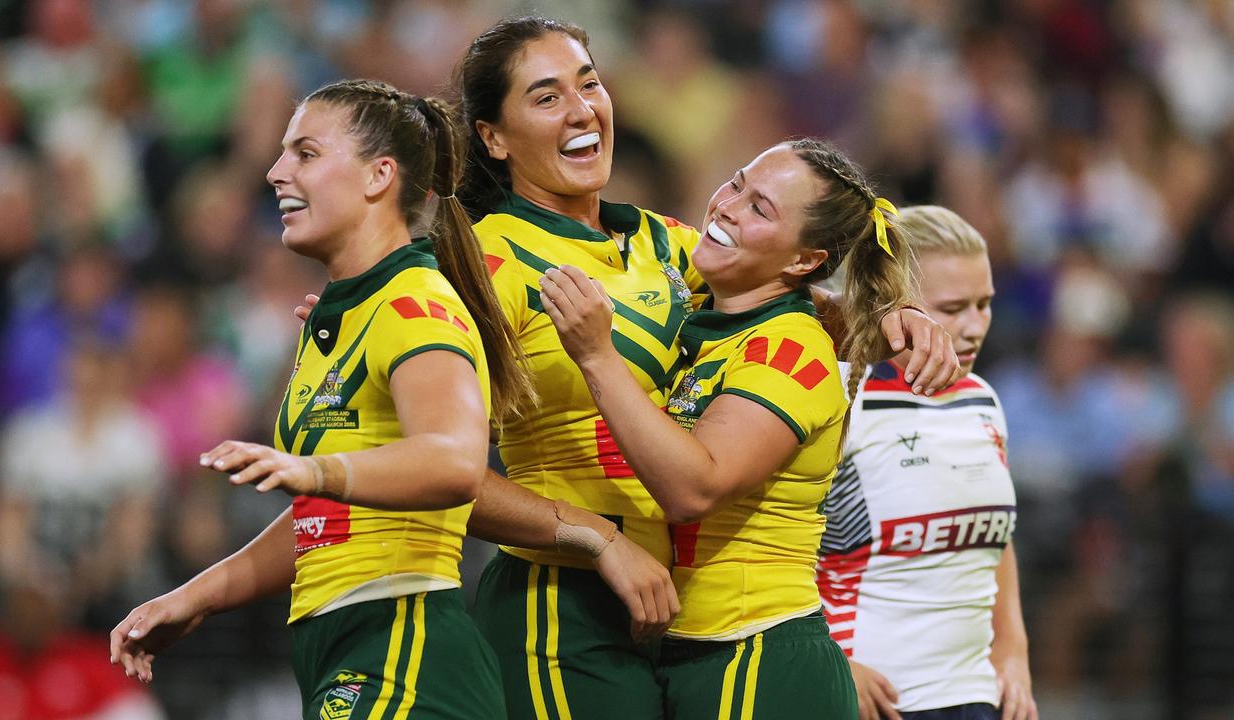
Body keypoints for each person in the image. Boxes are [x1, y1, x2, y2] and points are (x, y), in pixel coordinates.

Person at [296, 17, 957, 720]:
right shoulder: (481, 267)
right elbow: (424, 466)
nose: (582, 109)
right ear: (493, 137)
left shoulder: (661, 242)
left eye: (589, 83)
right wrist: (596, 537)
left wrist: (889, 314)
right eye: (547, 98)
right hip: (559, 611)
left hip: (666, 617)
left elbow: (781, 292)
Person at [110, 78, 531, 720]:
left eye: (305, 153)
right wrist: (199, 595)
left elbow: (454, 463)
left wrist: (313, 469)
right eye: (282, 153)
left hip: (407, 649)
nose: (277, 172)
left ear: (377, 176)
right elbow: (326, 521)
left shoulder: (414, 305)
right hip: (343, 644)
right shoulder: (340, 319)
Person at [538, 137, 905, 719]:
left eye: (761, 208)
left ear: (802, 261)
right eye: (736, 182)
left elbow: (694, 489)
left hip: (755, 653)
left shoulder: (792, 348)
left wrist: (596, 355)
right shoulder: (716, 325)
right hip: (701, 652)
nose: (728, 207)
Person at [816, 206, 1038, 720]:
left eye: (984, 304)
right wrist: (828, 658)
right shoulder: (839, 400)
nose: (974, 326)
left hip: (977, 697)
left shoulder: (981, 399)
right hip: (875, 700)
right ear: (891, 307)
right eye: (952, 307)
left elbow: (994, 538)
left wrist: (1014, 648)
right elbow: (776, 546)